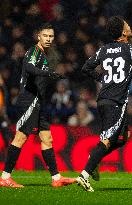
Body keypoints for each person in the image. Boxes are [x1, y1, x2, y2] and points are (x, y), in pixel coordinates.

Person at [75, 16, 132, 192]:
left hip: (103, 100)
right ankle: (84, 175)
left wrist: (104, 78)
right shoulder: (129, 49)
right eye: (127, 25)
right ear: (123, 32)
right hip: (115, 102)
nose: (130, 26)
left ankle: (94, 159)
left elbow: (85, 67)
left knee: (124, 136)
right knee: (107, 140)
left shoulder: (103, 50)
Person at [0, 23, 75, 188]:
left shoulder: (42, 54)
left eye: (51, 36)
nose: (48, 39)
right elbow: (28, 67)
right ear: (38, 36)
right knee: (21, 137)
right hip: (29, 100)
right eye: (45, 36)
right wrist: (47, 73)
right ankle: (5, 177)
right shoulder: (34, 51)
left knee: (47, 138)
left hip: (38, 102)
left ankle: (56, 178)